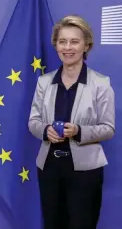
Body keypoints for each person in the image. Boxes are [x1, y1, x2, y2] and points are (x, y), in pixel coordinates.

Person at [28, 15, 115, 229]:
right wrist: (45, 129)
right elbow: (33, 121)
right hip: (49, 167)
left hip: (86, 171)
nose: (68, 47)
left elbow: (108, 128)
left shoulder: (101, 83)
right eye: (62, 41)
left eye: (74, 41)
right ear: (56, 45)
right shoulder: (44, 81)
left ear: (86, 45)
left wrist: (78, 131)